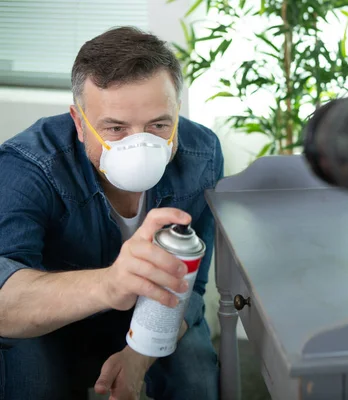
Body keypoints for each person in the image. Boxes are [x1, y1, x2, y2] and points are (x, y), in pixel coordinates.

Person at [0, 26, 223, 400]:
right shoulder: (28, 167)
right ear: (79, 123)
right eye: (116, 128)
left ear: (177, 113)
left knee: (196, 378)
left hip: (157, 308)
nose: (142, 145)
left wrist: (139, 353)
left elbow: (191, 286)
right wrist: (110, 284)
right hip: (53, 321)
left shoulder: (201, 155)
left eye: (158, 125)